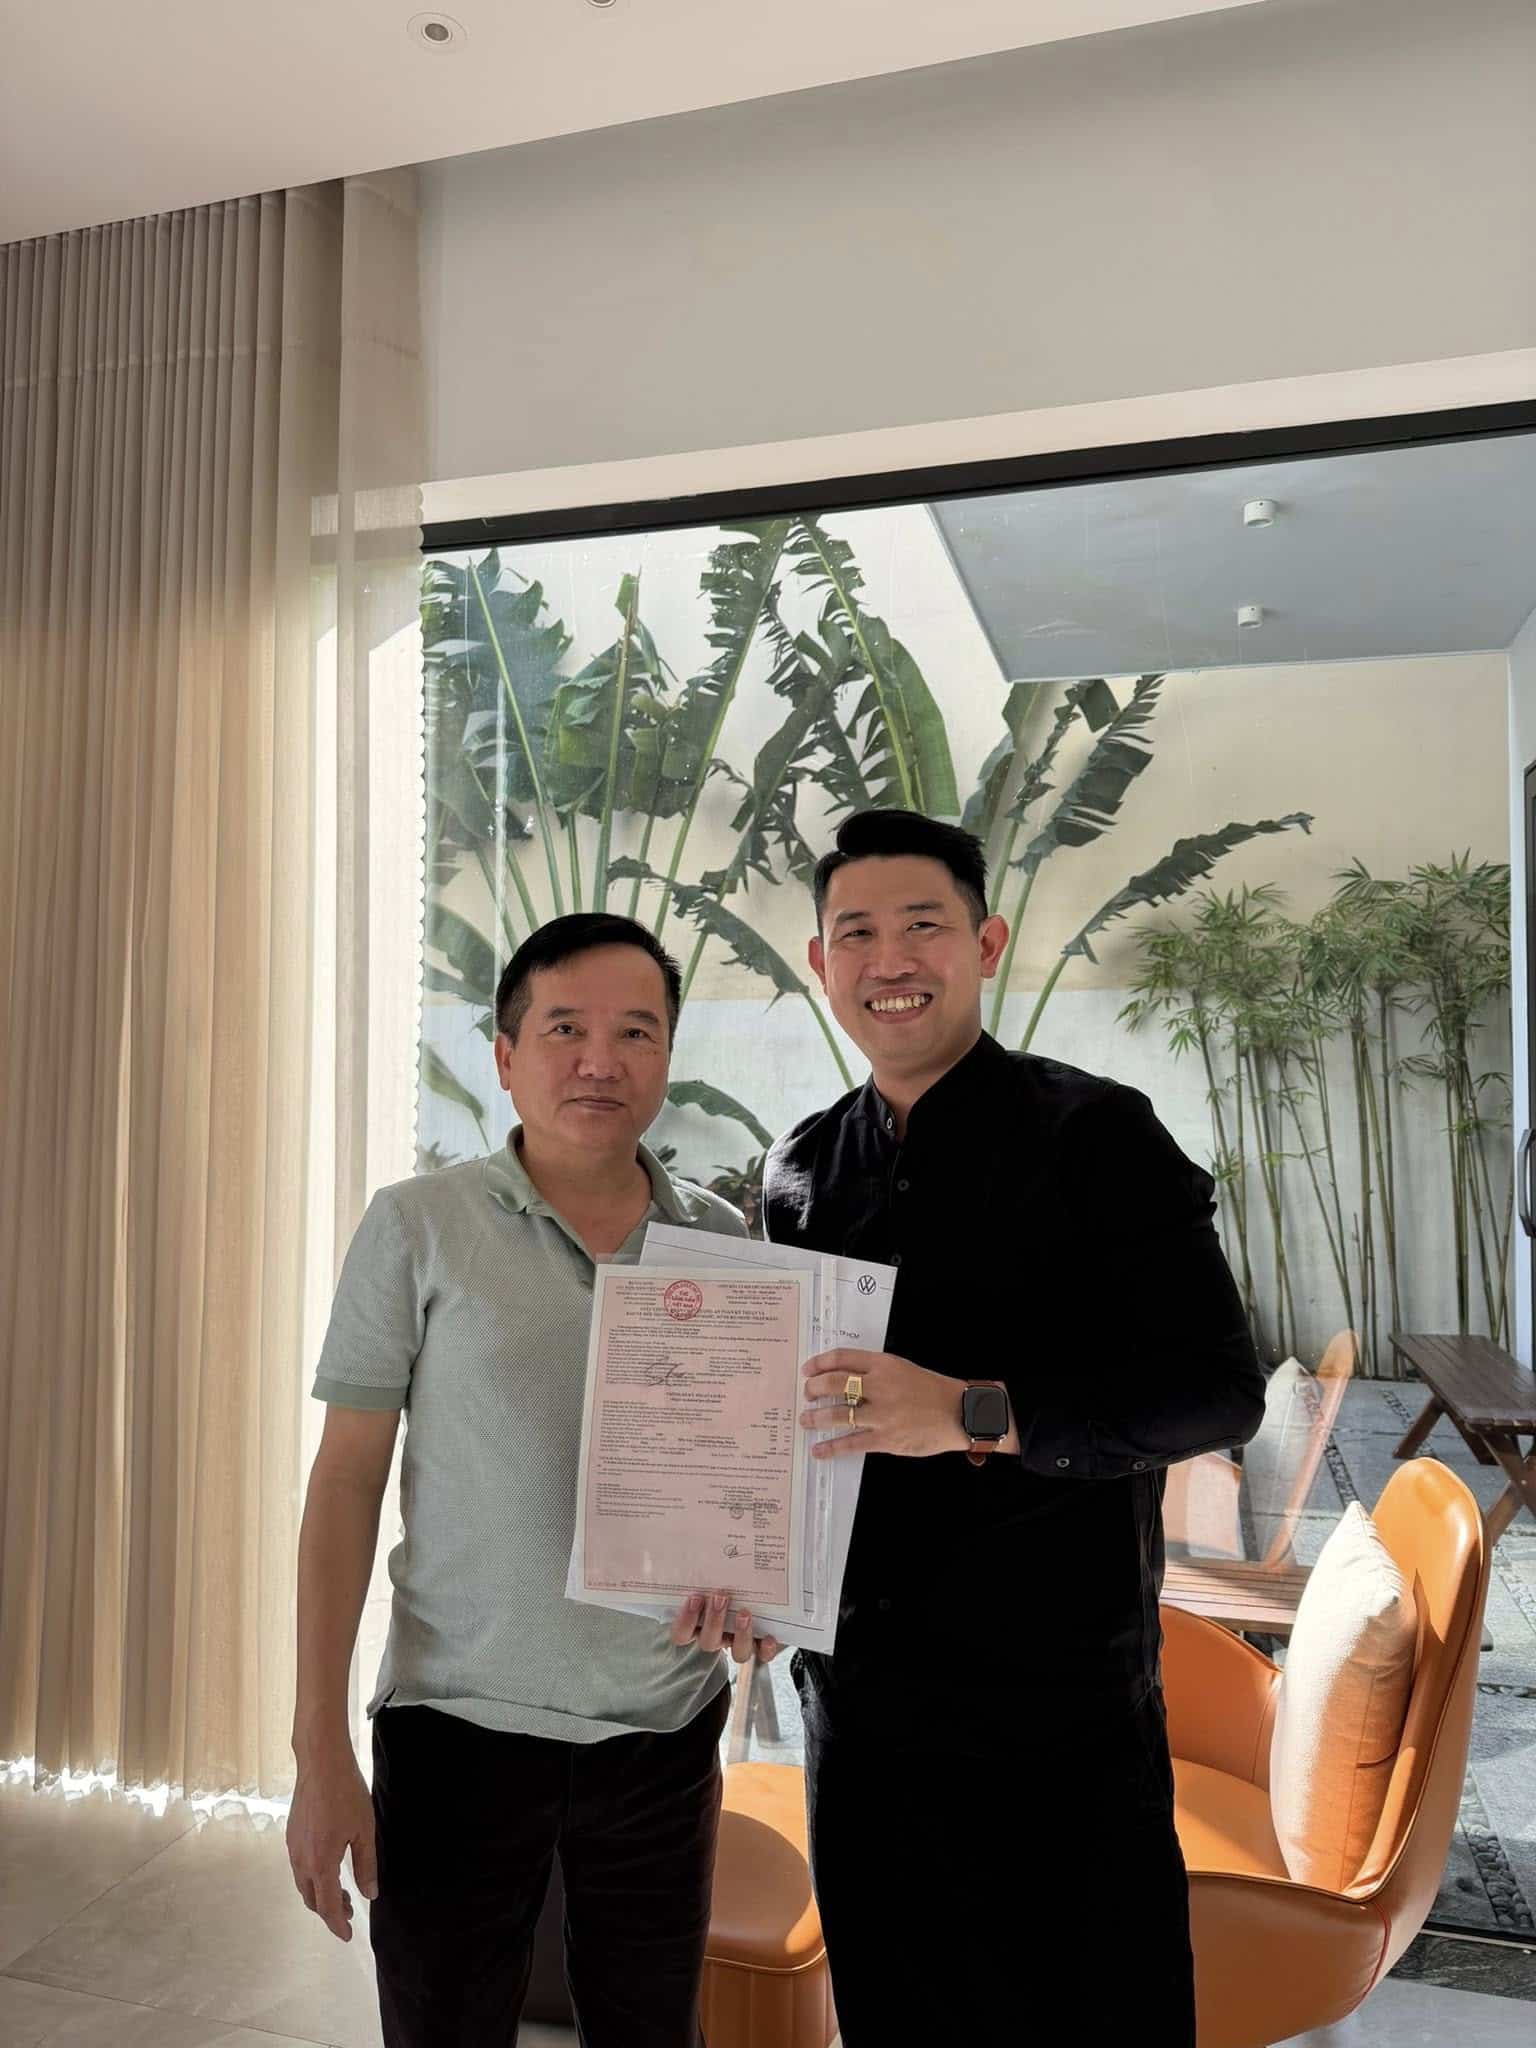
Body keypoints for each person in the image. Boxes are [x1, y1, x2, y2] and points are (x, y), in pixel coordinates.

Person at [763, 808, 1266, 2048]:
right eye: (855, 934)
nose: (890, 960)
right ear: (821, 962)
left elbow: (1216, 1390)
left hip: (1058, 1711)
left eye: (922, 925)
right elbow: (790, 1429)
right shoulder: (800, 1168)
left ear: (984, 944)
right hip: (861, 1714)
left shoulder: (1097, 1135)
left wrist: (969, 1411)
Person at [286, 912, 781, 2048]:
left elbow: (744, 1488)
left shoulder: (722, 1245)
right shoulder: (417, 1225)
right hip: (456, 1729)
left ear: (668, 1055)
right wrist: (319, 1748)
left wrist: (760, 1598)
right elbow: (345, 1482)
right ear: (506, 1055)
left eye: (635, 1032)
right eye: (565, 1029)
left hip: (663, 1730)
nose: (600, 1060)